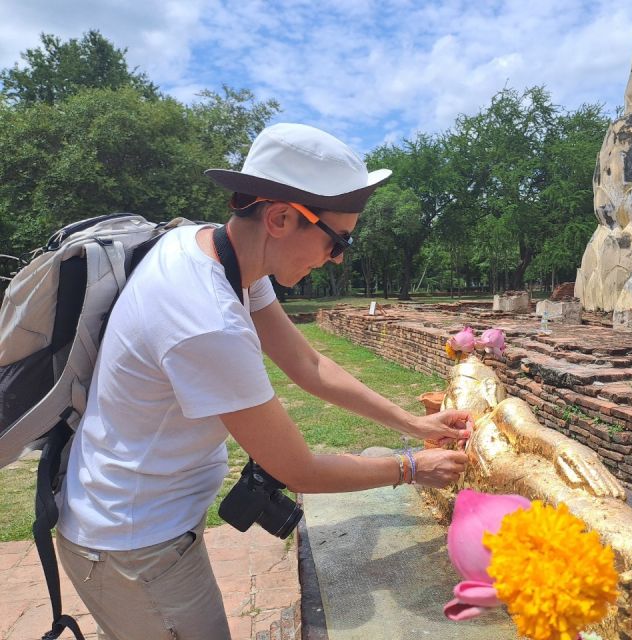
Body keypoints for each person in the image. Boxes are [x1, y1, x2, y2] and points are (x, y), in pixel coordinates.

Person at [56, 123, 470, 640]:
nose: (338, 256)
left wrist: (412, 421)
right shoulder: (205, 318)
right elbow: (299, 469)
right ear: (279, 217)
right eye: (338, 240)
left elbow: (308, 365)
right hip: (133, 544)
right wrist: (412, 467)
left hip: (143, 524)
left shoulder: (220, 254)